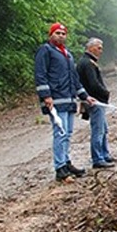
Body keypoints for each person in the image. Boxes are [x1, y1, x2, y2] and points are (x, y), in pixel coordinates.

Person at [35, 22, 96, 182]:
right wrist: (46, 95)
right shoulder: (45, 51)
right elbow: (40, 74)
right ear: (51, 35)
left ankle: (67, 163)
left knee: (68, 134)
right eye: (57, 33)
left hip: (69, 100)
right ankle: (60, 168)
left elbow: (74, 79)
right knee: (60, 133)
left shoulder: (68, 55)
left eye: (63, 33)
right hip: (55, 100)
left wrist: (84, 96)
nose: (61, 36)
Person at [76, 37, 115, 169]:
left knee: (103, 129)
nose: (101, 51)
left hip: (95, 100)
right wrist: (105, 92)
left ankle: (104, 154)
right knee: (98, 130)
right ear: (90, 47)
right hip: (95, 101)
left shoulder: (86, 62)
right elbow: (93, 84)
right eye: (99, 48)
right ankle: (98, 158)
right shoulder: (87, 63)